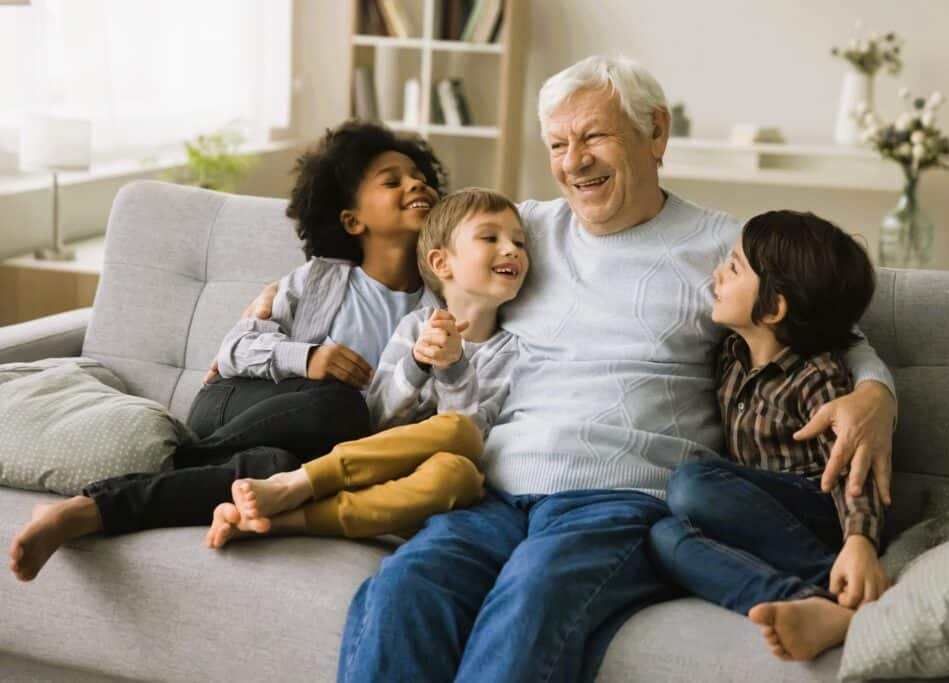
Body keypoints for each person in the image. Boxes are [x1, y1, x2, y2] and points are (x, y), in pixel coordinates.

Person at [226, 57, 898, 683]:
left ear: (654, 131)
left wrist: (876, 395)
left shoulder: (725, 245)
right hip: (494, 490)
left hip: (621, 500)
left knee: (530, 603)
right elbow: (424, 269)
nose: (573, 162)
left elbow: (829, 326)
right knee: (405, 588)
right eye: (556, 144)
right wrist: (283, 311)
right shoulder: (525, 231)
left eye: (593, 137)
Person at [8, 121, 447, 582]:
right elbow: (236, 348)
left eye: (419, 176)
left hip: (306, 446)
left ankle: (87, 510)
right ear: (352, 220)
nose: (416, 183)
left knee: (275, 472)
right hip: (233, 402)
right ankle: (182, 457)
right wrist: (309, 358)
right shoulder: (317, 281)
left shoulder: (436, 309)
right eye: (392, 180)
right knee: (339, 403)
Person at [205, 187, 528, 547]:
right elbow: (377, 417)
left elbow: (469, 439)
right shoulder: (414, 326)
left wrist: (453, 368)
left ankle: (286, 519)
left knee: (462, 473)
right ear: (441, 264)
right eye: (490, 237)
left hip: (418, 488)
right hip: (369, 464)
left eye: (520, 242)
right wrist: (418, 362)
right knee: (455, 442)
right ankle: (299, 483)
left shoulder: (510, 351)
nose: (512, 249)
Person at [649, 210, 889, 663]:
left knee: (692, 483)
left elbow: (851, 468)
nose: (716, 273)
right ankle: (806, 602)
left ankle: (839, 581)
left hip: (818, 510)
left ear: (774, 308)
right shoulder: (729, 354)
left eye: (734, 267)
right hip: (756, 519)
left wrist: (861, 541)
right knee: (663, 536)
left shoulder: (817, 378)